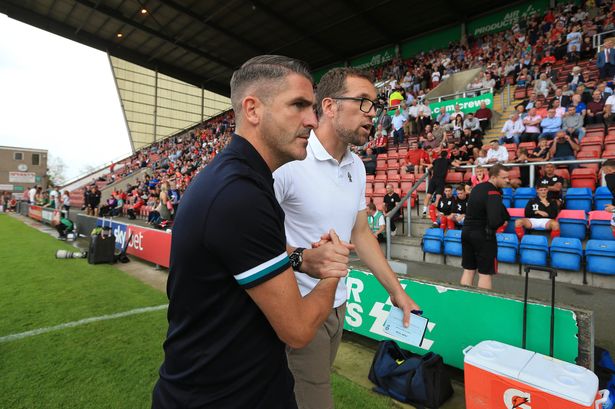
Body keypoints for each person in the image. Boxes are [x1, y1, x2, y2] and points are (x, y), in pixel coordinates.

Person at [152, 55, 345, 409]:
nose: (313, 121)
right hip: (222, 398)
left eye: (313, 108)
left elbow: (249, 252)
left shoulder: (240, 178)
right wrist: (333, 270)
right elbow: (299, 331)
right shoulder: (239, 194)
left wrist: (302, 259)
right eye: (299, 105)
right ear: (253, 109)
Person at [273, 67, 419, 409]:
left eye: (375, 105)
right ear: (329, 106)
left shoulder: (357, 165)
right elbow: (251, 233)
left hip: (337, 303)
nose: (373, 114)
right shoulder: (290, 161)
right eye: (363, 102)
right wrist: (300, 259)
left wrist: (396, 292)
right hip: (297, 305)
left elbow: (361, 233)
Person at [461, 164, 510, 290]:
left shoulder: (477, 188)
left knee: (468, 270)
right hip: (483, 235)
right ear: (494, 177)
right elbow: (494, 221)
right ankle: (482, 306)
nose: (507, 180)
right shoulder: (493, 192)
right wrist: (502, 221)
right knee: (484, 274)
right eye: (504, 178)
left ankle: (463, 302)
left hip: (466, 232)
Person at [423, 150, 459, 217]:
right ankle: (435, 212)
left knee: (428, 195)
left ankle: (424, 211)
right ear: (447, 155)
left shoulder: (436, 160)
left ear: (440, 155)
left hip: (433, 179)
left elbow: (428, 167)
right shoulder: (448, 160)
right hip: (440, 180)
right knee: (438, 196)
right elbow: (457, 165)